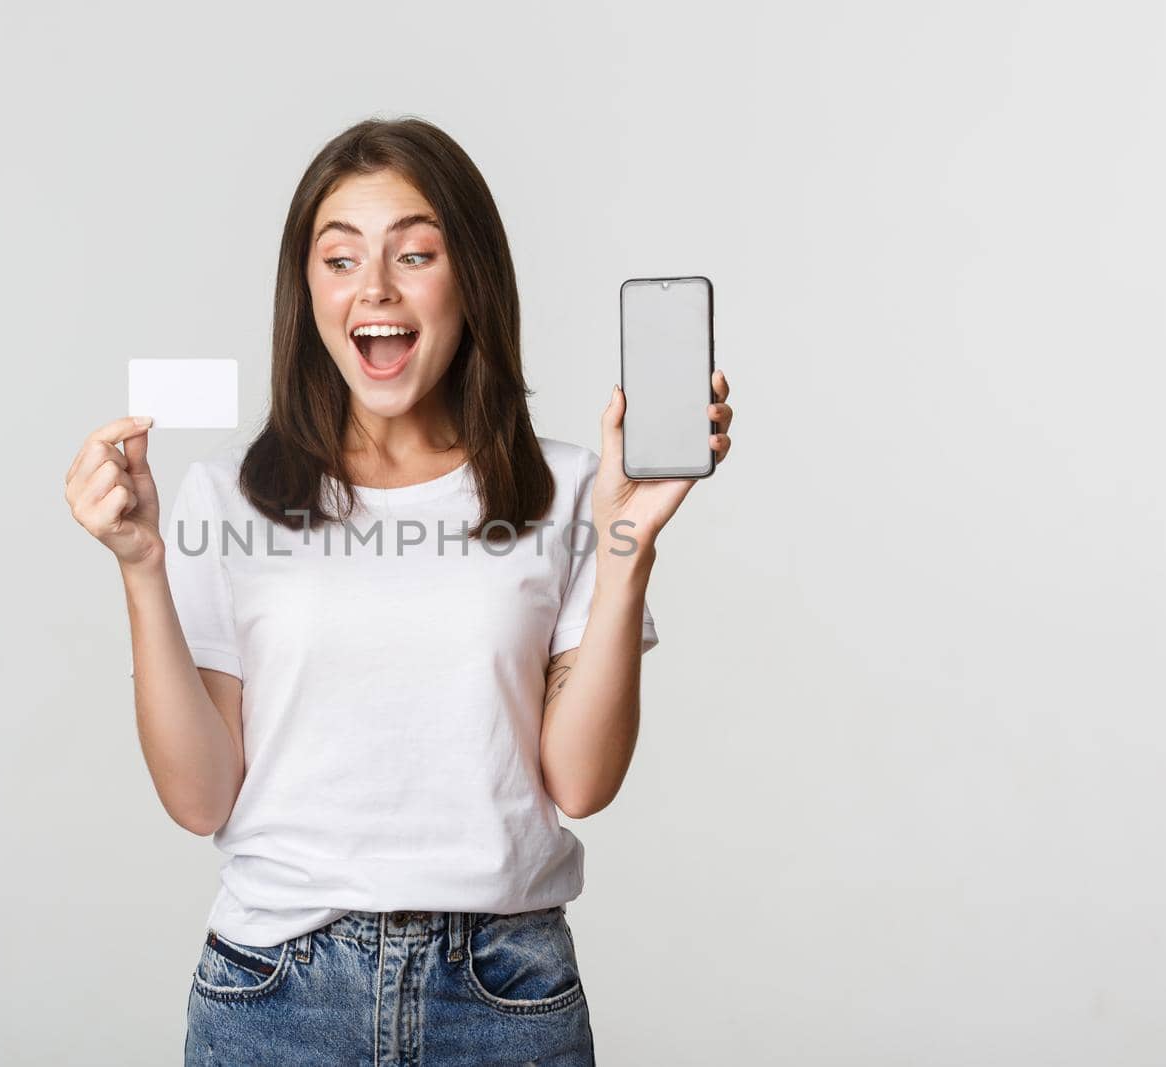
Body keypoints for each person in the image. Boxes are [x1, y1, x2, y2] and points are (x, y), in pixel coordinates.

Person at [64, 117, 734, 1066]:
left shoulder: (572, 488)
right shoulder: (228, 493)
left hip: (505, 991)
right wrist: (141, 565)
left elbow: (582, 782)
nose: (373, 287)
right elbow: (201, 796)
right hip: (276, 992)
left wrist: (631, 544)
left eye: (415, 253)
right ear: (308, 293)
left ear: (473, 282)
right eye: (338, 260)